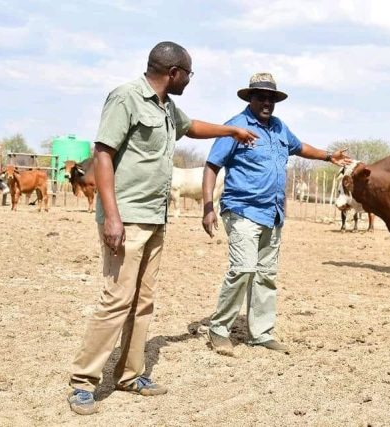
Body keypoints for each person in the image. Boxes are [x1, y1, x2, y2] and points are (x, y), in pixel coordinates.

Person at [67, 41, 257, 416]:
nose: (189, 79)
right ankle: (83, 382)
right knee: (116, 299)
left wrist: (231, 131)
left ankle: (130, 374)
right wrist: (113, 216)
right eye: (188, 73)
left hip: (155, 217)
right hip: (127, 218)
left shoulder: (166, 106)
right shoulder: (126, 98)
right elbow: (103, 153)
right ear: (173, 73)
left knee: (142, 300)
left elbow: (193, 127)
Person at [201, 72, 350, 356]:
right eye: (261, 97)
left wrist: (328, 156)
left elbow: (300, 147)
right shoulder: (235, 127)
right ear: (250, 98)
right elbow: (211, 166)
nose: (267, 102)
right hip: (242, 209)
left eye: (271, 98)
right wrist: (207, 207)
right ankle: (219, 329)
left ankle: (261, 333)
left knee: (265, 275)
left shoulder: (280, 128)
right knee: (243, 269)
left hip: (273, 212)